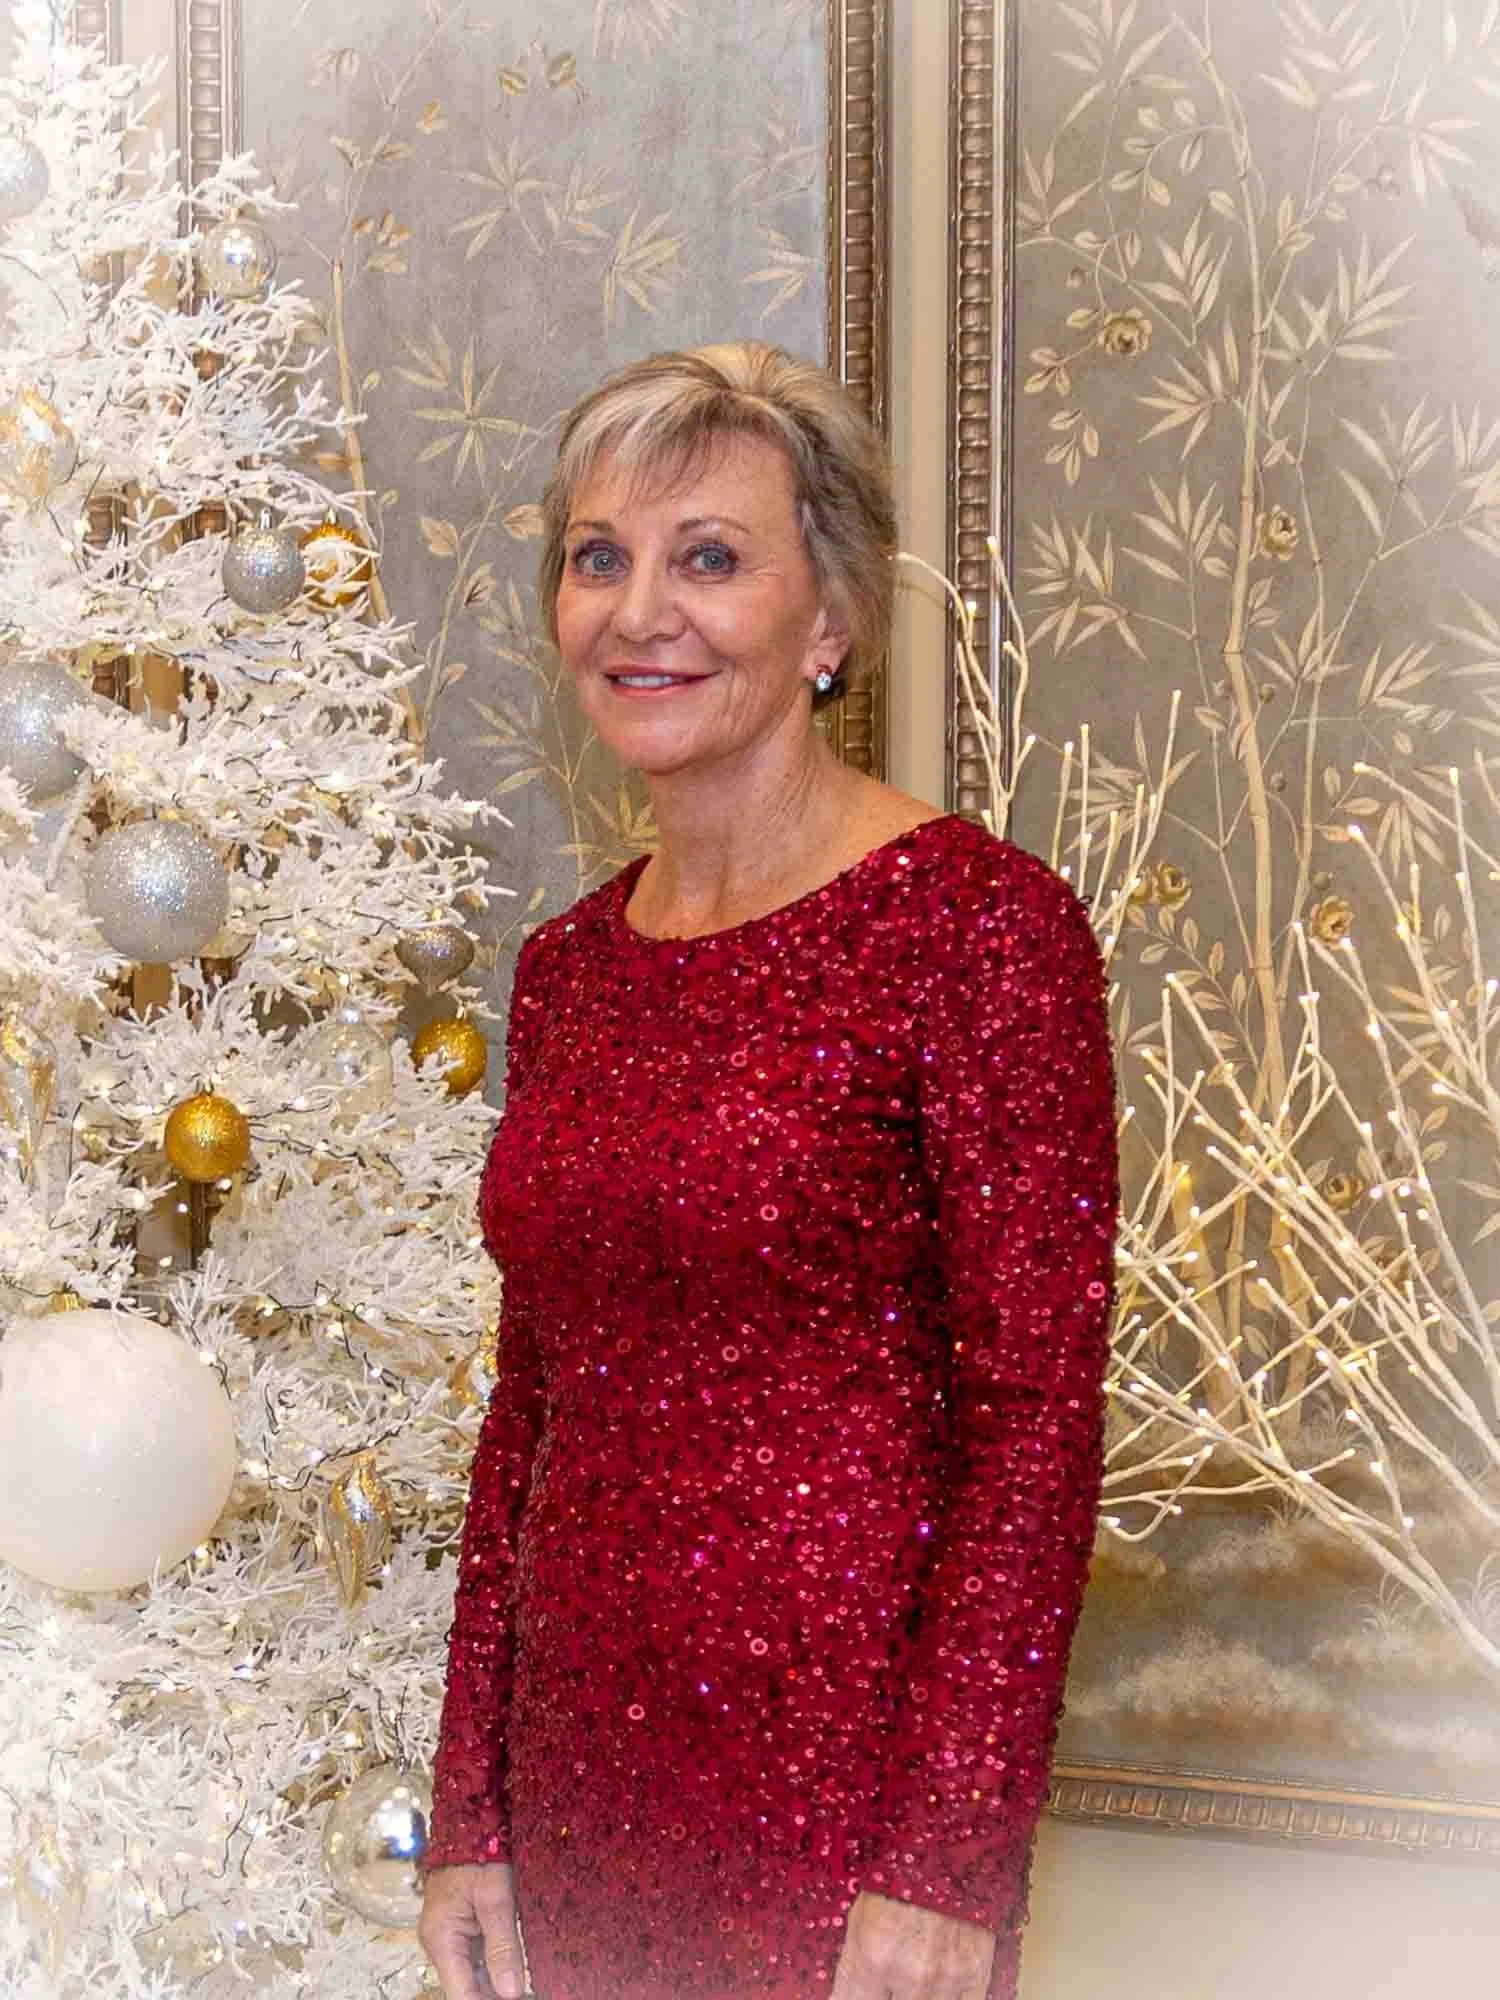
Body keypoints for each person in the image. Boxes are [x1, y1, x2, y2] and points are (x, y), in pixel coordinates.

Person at [416, 340, 1120, 2000]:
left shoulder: (978, 930)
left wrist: (947, 1861)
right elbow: (531, 1406)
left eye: (710, 558)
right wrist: (472, 1812)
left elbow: (1034, 1421)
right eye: (601, 557)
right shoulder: (572, 965)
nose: (639, 608)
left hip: (847, 1813)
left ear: (832, 623)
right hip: (578, 1789)